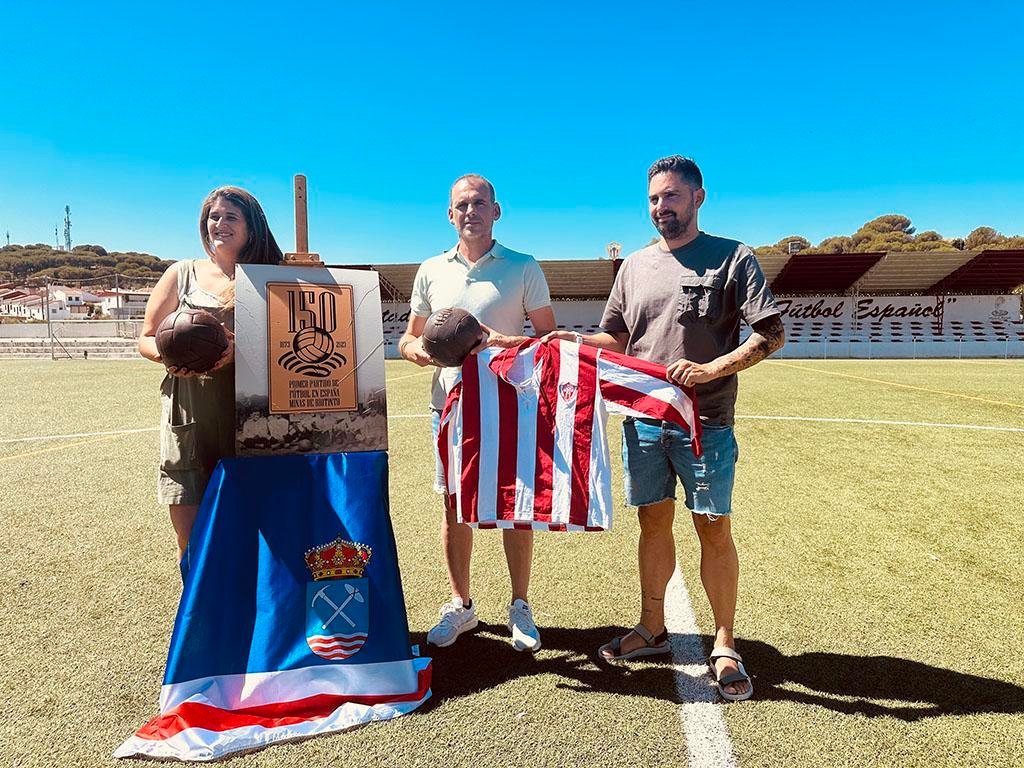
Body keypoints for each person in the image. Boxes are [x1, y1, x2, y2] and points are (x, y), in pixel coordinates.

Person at [546, 156, 785, 700]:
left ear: (699, 198)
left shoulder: (733, 258)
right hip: (644, 421)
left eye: (672, 197)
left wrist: (712, 370)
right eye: (654, 199)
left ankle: (724, 643)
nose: (661, 208)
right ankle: (652, 626)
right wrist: (569, 342)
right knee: (652, 524)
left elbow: (771, 333)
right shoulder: (633, 266)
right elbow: (616, 340)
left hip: (708, 423)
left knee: (712, 527)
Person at [398, 174, 556, 652]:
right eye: (461, 205)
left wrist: (503, 342)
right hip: (448, 407)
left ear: (496, 210)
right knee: (453, 505)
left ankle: (520, 605)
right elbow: (407, 339)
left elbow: (547, 340)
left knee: (517, 507)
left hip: (510, 404)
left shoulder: (524, 267)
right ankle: (462, 604)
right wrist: (423, 352)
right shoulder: (430, 270)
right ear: (450, 214)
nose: (470, 211)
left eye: (479, 203)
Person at [139, 186, 283, 561]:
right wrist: (168, 356)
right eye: (213, 217)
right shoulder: (181, 273)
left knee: (255, 535)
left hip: (251, 419)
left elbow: (291, 343)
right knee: (192, 540)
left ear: (253, 226)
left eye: (230, 217)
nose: (219, 224)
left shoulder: (270, 278)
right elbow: (146, 338)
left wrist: (240, 351)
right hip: (189, 415)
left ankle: (251, 617)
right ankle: (200, 616)